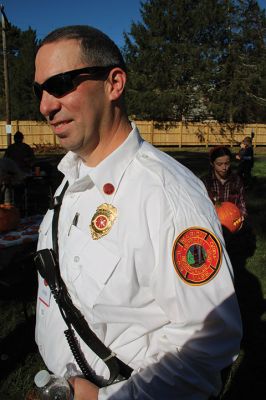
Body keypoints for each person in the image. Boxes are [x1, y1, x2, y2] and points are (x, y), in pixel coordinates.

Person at [33, 25, 242, 400]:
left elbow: (207, 345)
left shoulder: (166, 195)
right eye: (40, 90)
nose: (45, 105)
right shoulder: (70, 178)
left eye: (61, 83)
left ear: (114, 84)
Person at [202, 146, 247, 221]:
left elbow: (242, 204)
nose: (224, 167)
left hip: (233, 220)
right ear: (212, 163)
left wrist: (241, 215)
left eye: (227, 163)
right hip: (212, 221)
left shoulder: (236, 181)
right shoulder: (206, 182)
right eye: (219, 164)